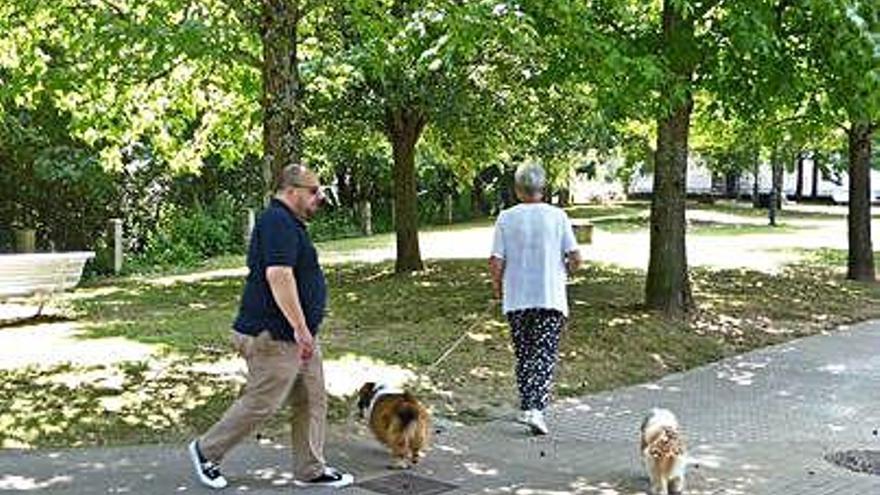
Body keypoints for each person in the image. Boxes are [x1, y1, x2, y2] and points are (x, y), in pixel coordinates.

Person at [187, 164, 353, 489]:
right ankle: (206, 451)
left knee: (312, 397)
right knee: (263, 402)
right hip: (274, 334)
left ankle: (310, 469)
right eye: (313, 191)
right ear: (292, 190)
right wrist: (301, 328)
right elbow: (278, 275)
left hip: (297, 334)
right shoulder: (277, 220)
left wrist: (305, 330)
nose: (319, 197)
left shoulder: (291, 223)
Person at [488, 162, 582, 436]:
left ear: (518, 189)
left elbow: (495, 260)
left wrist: (498, 288)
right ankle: (535, 410)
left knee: (524, 352)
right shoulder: (557, 216)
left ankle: (528, 406)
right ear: (543, 188)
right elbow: (576, 258)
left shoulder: (506, 218)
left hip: (517, 296)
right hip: (549, 295)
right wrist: (565, 268)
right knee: (544, 352)